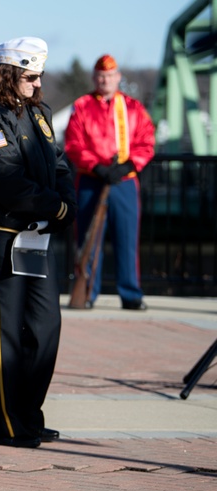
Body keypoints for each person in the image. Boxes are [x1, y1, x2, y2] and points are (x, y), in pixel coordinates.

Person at [0, 37, 76, 448]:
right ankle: (8, 422)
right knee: (8, 328)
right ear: (8, 74)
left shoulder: (37, 113)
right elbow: (5, 178)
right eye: (30, 75)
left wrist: (66, 202)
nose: (37, 82)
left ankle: (29, 414)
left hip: (36, 233)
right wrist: (54, 206)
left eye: (40, 74)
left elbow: (58, 163)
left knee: (45, 326)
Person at [64, 54, 155, 310]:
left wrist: (129, 164)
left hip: (124, 181)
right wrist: (95, 165)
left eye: (110, 75)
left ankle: (131, 294)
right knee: (89, 238)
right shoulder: (81, 106)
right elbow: (73, 143)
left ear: (118, 78)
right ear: (94, 78)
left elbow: (146, 141)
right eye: (100, 76)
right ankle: (88, 293)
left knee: (127, 240)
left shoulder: (133, 107)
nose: (105, 80)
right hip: (91, 180)